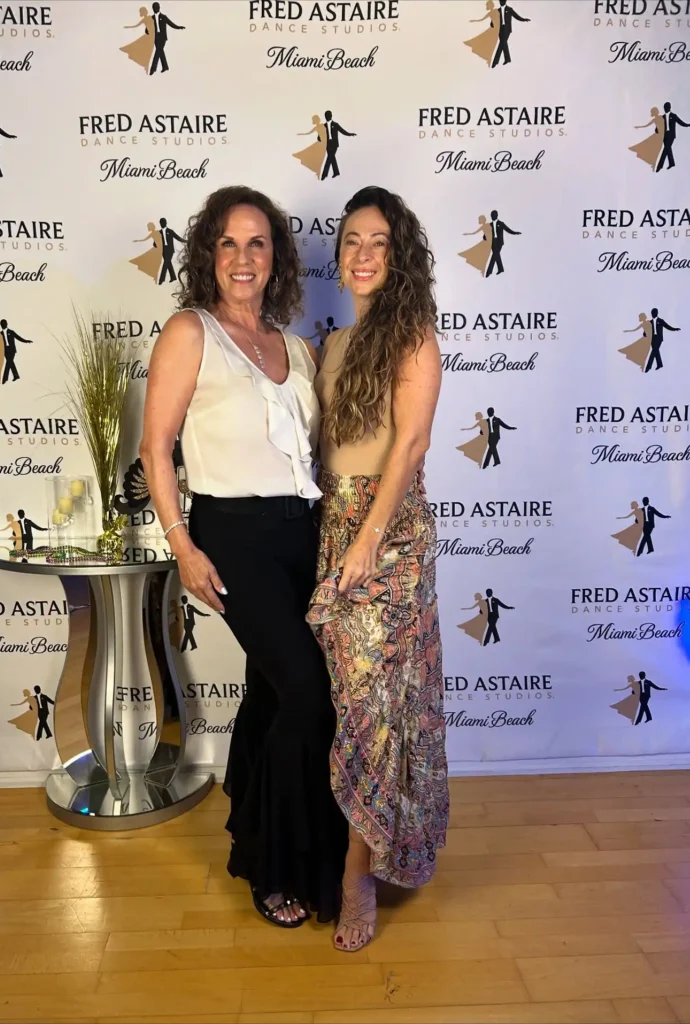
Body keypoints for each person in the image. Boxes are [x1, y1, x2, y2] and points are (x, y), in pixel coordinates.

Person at [140, 185, 348, 928]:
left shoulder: (295, 345)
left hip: (303, 536)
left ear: (276, 258)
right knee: (307, 693)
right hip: (233, 537)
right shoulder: (190, 332)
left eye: (257, 242)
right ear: (208, 253)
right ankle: (279, 865)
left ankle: (255, 836)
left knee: (270, 693)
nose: (243, 257)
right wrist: (181, 544)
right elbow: (155, 448)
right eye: (228, 242)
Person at [306, 186, 449, 952]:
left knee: (376, 709)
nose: (362, 255)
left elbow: (412, 445)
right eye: (352, 241)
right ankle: (351, 847)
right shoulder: (331, 344)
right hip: (333, 526)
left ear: (399, 258)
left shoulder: (413, 333)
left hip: (386, 539)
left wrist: (365, 544)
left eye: (379, 243)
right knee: (347, 702)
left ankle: (361, 872)